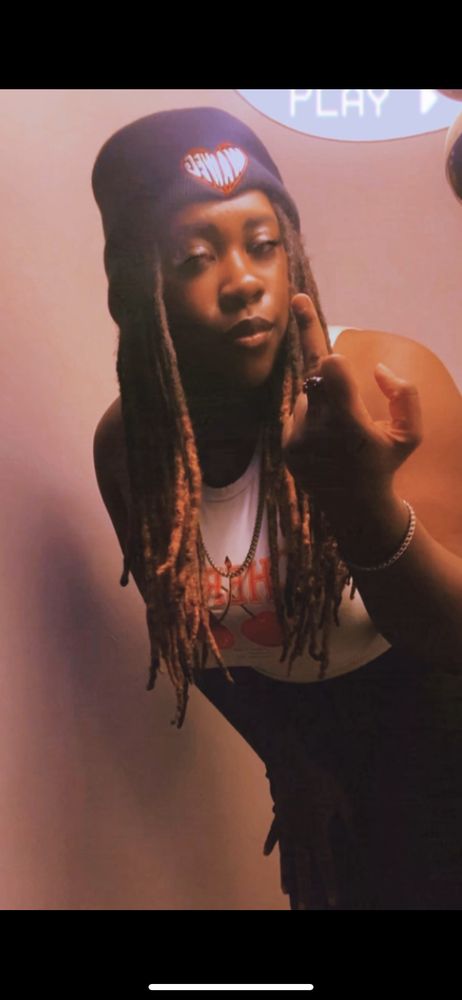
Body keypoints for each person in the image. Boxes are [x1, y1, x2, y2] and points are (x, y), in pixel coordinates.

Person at [91, 106, 462, 910]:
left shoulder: (386, 379)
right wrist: (285, 758)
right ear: (136, 284)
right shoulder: (131, 447)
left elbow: (453, 641)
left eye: (262, 244)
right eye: (197, 257)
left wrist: (364, 507)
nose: (244, 281)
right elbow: (189, 635)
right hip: (321, 772)